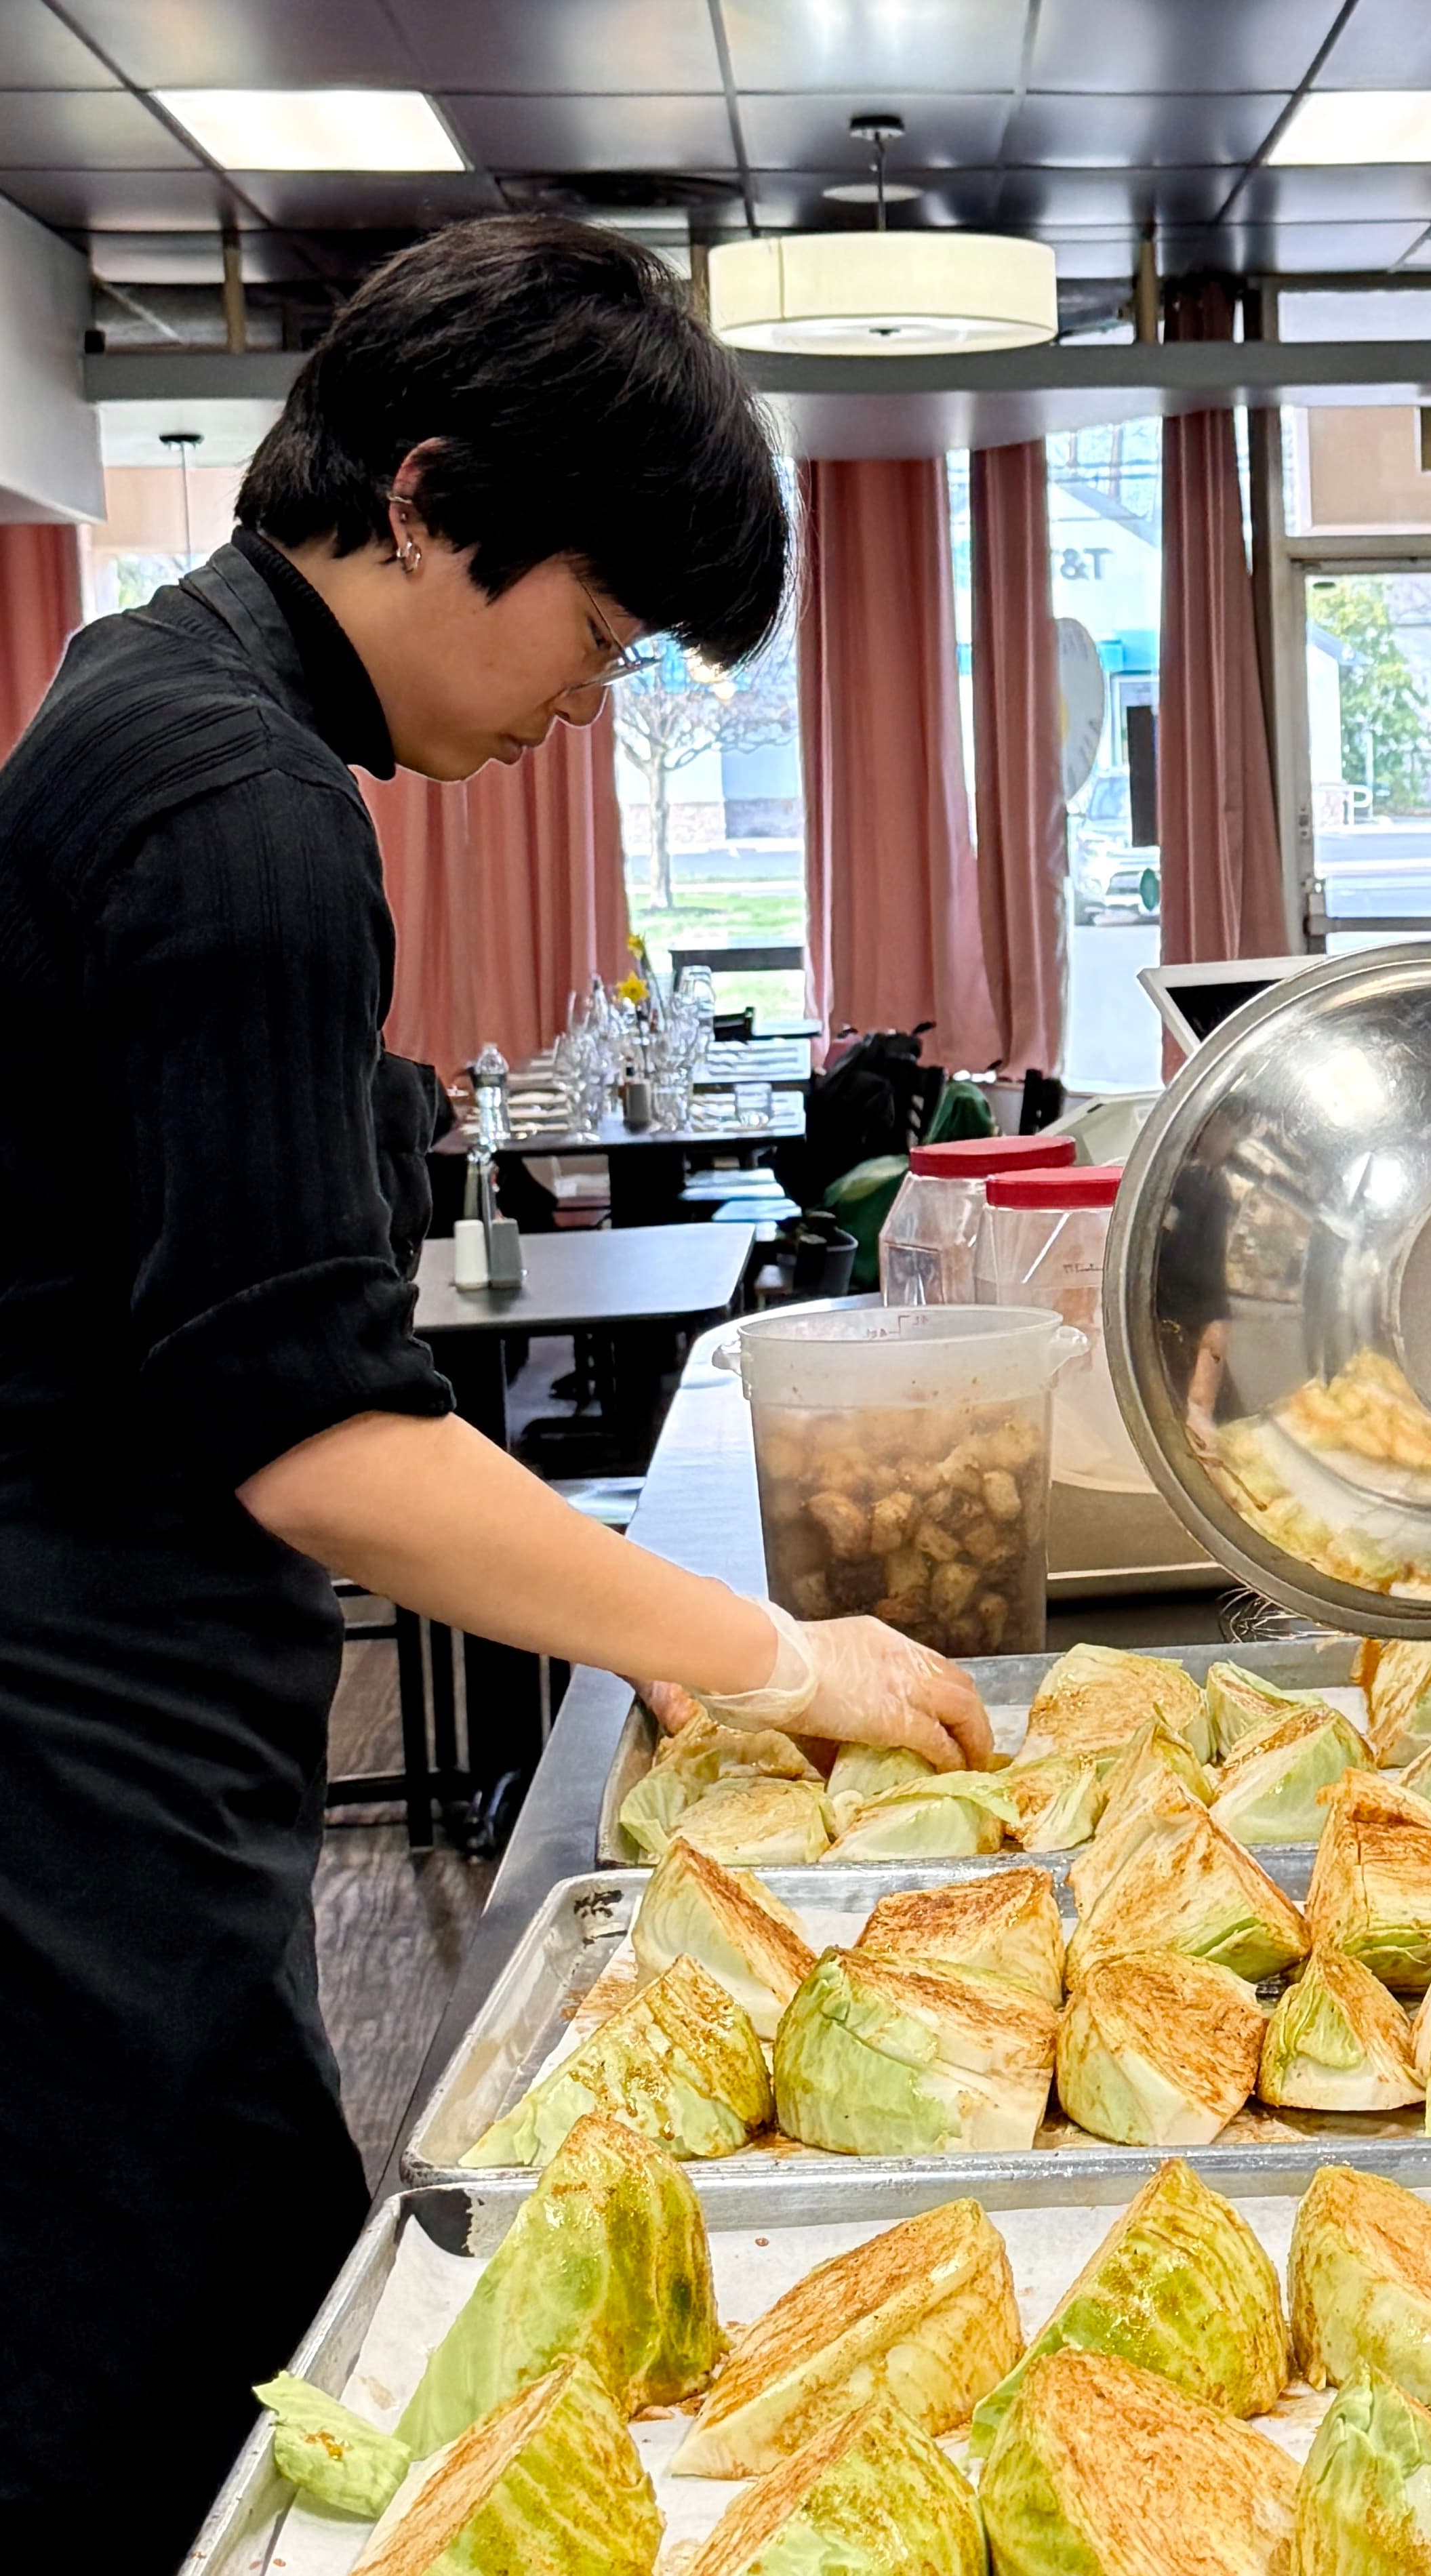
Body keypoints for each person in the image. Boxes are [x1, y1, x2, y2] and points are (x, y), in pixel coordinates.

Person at [0, 218, 993, 2558]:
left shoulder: (136, 694)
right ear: (429, 501)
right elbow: (326, 1436)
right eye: (595, 629)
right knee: (183, 2393)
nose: (586, 701)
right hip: (78, 1759)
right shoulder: (242, 802)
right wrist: (765, 1651)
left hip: (101, 1712)